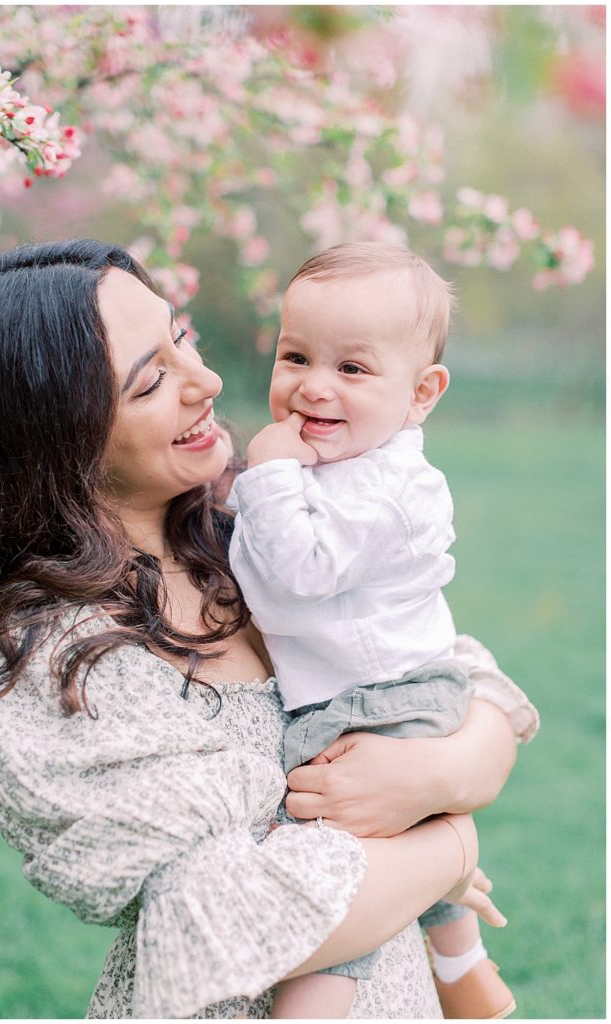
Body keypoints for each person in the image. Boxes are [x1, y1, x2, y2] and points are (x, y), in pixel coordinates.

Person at [0, 240, 539, 1020]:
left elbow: (446, 666)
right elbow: (218, 922)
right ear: (53, 439)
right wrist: (450, 847)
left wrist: (450, 773)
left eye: (182, 338)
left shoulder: (242, 530)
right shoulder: (51, 655)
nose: (209, 382)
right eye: (152, 379)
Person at [229, 243, 521, 1020]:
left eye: (352, 370)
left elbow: (298, 570)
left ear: (421, 393)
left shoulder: (390, 489)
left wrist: (265, 474)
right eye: (296, 356)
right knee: (392, 835)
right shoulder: (330, 466)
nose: (313, 386)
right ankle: (461, 960)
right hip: (377, 690)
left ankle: (316, 1001)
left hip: (379, 701)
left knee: (335, 845)